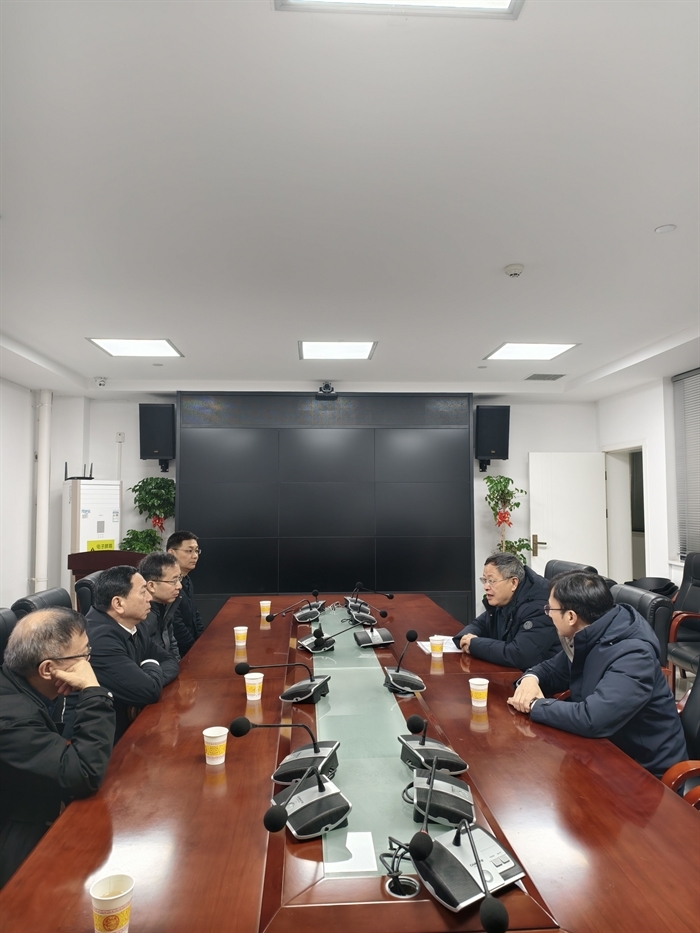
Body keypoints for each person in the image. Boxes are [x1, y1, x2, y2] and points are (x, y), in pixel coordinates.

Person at [508, 572, 688, 777]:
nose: (547, 614)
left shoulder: (634, 655)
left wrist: (534, 705)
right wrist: (530, 679)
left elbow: (592, 719)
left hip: (645, 770)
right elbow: (552, 670)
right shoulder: (591, 633)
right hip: (603, 750)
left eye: (550, 609)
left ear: (571, 617)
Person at [0, 608, 115, 887]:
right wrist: (93, 691)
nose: (88, 663)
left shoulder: (29, 687)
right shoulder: (12, 718)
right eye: (83, 655)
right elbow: (83, 773)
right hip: (15, 831)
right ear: (47, 669)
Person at [86, 566, 180, 741]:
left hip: (128, 724)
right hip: (101, 739)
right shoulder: (100, 639)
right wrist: (150, 665)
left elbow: (169, 660)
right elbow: (148, 691)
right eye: (143, 592)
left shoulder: (133, 625)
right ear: (118, 604)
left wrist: (150, 679)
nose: (149, 598)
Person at [453, 553, 558, 670]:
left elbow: (520, 654)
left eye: (491, 581)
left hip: (539, 677)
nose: (486, 587)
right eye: (484, 580)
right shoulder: (505, 598)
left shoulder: (540, 607)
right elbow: (480, 624)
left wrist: (474, 644)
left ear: (513, 583)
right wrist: (464, 638)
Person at [138, 551, 182, 661]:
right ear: (151, 586)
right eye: (174, 581)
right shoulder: (139, 616)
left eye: (179, 579)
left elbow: (171, 643)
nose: (179, 586)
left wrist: (177, 664)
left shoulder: (165, 605)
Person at [167, 531, 204, 655]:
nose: (195, 556)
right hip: (179, 652)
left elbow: (194, 614)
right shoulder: (167, 584)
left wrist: (202, 641)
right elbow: (176, 624)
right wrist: (194, 649)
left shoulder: (186, 579)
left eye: (197, 551)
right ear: (171, 553)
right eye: (189, 551)